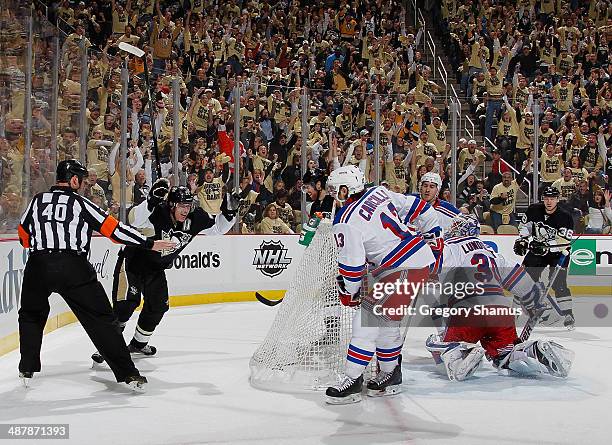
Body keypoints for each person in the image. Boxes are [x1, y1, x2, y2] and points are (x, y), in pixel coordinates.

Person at [17, 160, 175, 392]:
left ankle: (27, 368)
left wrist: (44, 253)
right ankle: (128, 373)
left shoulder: (37, 200)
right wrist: (149, 243)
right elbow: (115, 230)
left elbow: (23, 235)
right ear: (73, 180)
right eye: (81, 180)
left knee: (31, 315)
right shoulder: (81, 203)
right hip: (73, 266)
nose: (82, 185)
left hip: (38, 264)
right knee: (101, 319)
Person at [324, 165, 442, 404]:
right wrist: (434, 238)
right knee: (386, 323)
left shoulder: (345, 220)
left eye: (335, 189)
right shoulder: (379, 192)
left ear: (345, 190)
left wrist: (349, 292)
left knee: (365, 321)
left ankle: (353, 379)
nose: (332, 194)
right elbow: (422, 209)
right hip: (415, 260)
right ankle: (390, 374)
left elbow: (353, 266)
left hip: (400, 267)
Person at [92, 180, 239, 363]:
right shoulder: (157, 212)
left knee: (158, 306)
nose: (186, 210)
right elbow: (133, 219)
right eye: (182, 206)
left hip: (155, 269)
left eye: (188, 205)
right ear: (171, 204)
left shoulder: (195, 217)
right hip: (132, 263)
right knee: (126, 306)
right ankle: (106, 346)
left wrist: (230, 213)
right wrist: (150, 201)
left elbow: (217, 228)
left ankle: (138, 344)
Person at [425, 214, 574, 380]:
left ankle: (461, 352)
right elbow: (521, 281)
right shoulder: (492, 252)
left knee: (442, 348)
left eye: (454, 227)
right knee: (506, 354)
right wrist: (534, 302)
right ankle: (531, 351)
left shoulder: (450, 247)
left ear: (460, 229)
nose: (450, 230)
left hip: (467, 312)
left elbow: (431, 273)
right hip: (501, 312)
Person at [514, 187, 575, 328]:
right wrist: (522, 240)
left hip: (559, 253)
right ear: (543, 199)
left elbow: (563, 241)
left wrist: (546, 246)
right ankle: (519, 313)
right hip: (537, 249)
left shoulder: (565, 216)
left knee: (558, 284)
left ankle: (568, 314)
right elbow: (525, 226)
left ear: (557, 200)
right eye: (546, 198)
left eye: (552, 198)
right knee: (523, 281)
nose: (549, 201)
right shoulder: (533, 210)